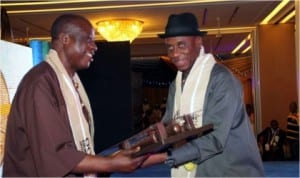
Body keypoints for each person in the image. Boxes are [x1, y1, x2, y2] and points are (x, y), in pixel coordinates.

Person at [3, 14, 146, 177]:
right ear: (65, 39)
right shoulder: (40, 84)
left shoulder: (71, 82)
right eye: (88, 40)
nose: (95, 47)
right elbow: (57, 154)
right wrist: (110, 164)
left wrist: (106, 161)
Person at [140, 12, 264, 177]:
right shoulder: (175, 85)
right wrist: (141, 146)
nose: (174, 53)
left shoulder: (221, 80)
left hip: (229, 172)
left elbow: (214, 139)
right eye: (170, 47)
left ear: (198, 42)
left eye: (181, 45)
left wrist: (163, 157)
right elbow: (169, 127)